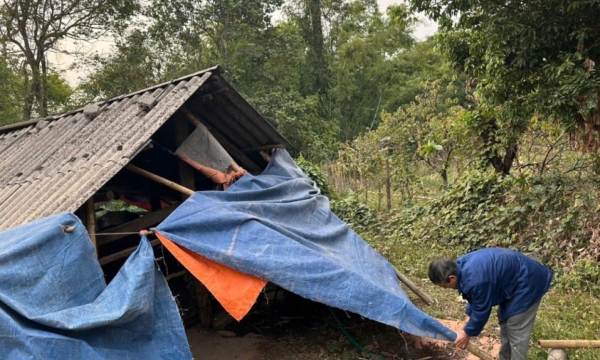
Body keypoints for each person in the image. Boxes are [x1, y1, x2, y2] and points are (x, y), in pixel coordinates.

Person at [428, 248, 553, 360]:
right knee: (505, 319)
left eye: (445, 286)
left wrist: (467, 333)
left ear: (452, 278)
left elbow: (481, 309)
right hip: (513, 281)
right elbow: (475, 297)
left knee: (516, 325)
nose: (446, 289)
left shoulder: (475, 280)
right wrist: (469, 315)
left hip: (528, 281)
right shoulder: (460, 267)